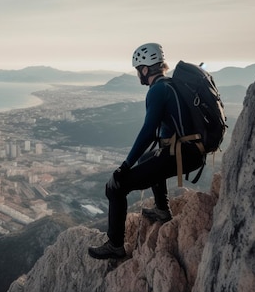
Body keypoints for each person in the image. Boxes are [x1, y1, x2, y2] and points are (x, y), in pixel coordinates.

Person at [88, 43, 206, 260]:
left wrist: (124, 167)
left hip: (183, 153)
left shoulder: (158, 90)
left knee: (115, 188)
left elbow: (147, 132)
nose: (137, 75)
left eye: (137, 70)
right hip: (191, 150)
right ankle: (162, 209)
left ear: (144, 69)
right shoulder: (170, 85)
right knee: (148, 158)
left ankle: (115, 245)